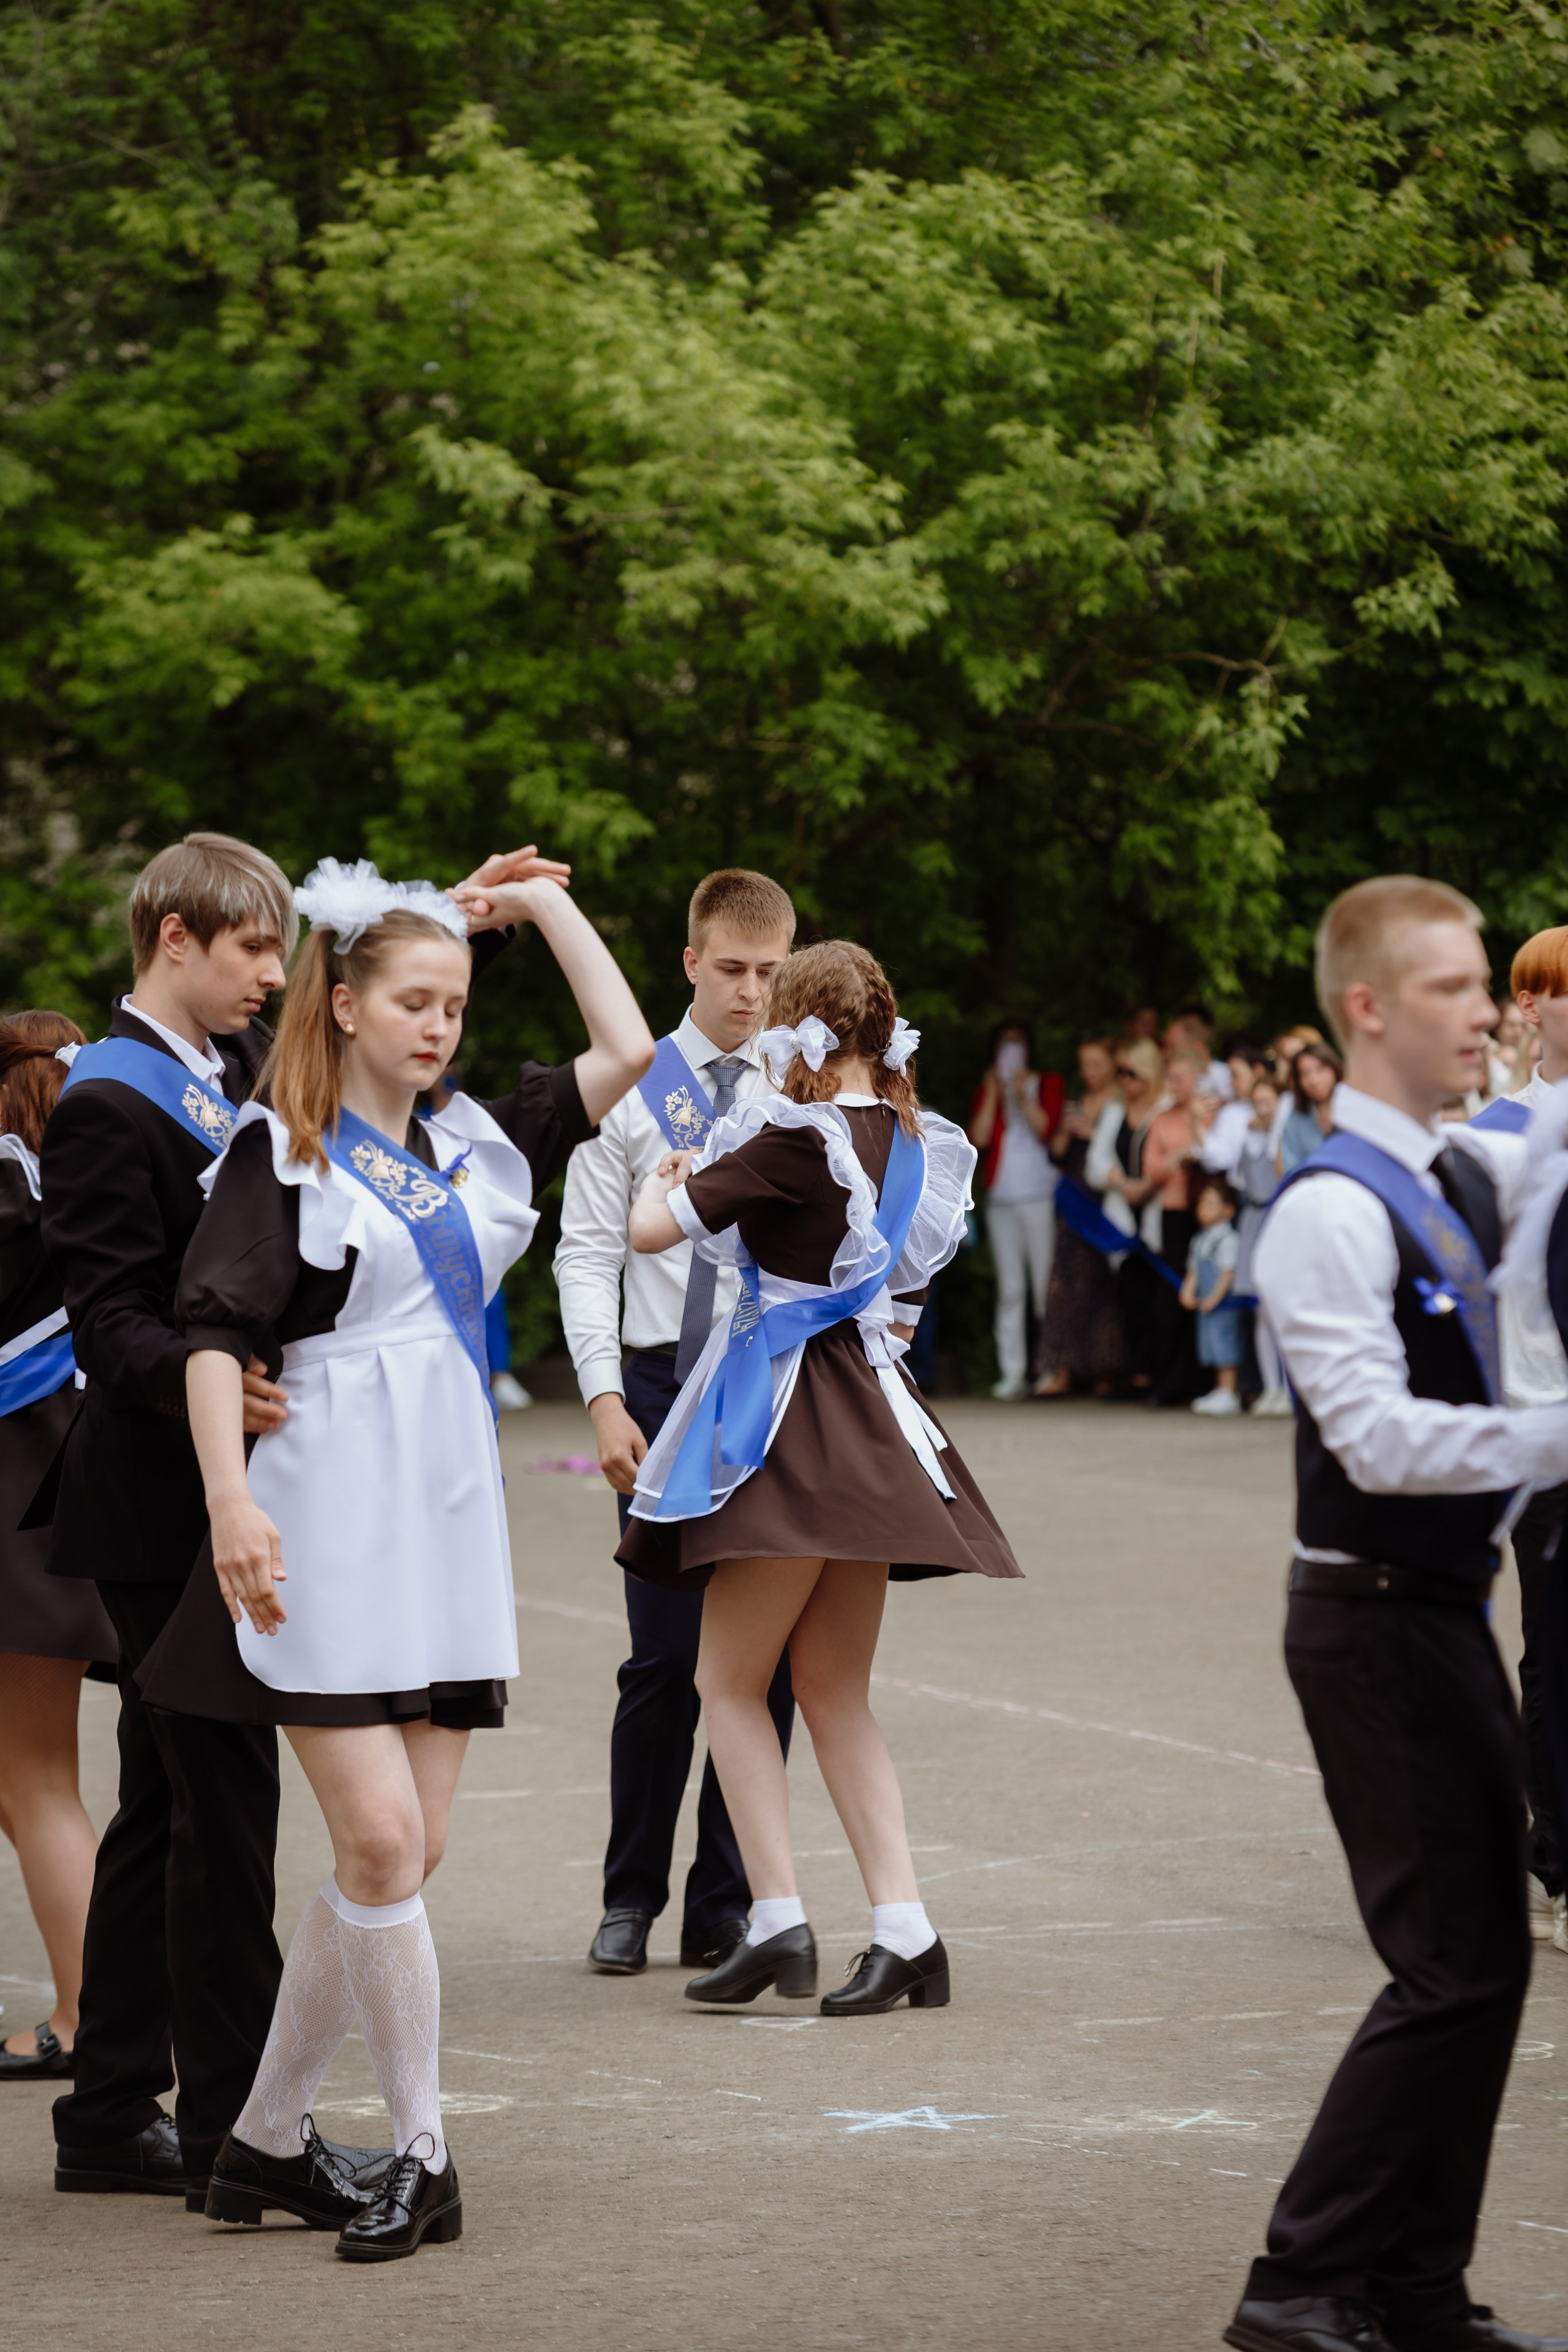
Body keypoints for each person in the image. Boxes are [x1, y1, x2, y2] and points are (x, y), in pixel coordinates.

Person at [138, 854, 653, 2259]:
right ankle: (426, 2151)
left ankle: (256, 2136)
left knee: (403, 1853)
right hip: (319, 1511)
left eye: (456, 1005)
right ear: (347, 1002)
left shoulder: (481, 1139)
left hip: (438, 1517)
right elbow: (206, 1332)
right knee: (376, 1839)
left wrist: (535, 909)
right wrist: (230, 1501)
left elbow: (630, 1047)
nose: (437, 1026)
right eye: (412, 1000)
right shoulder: (279, 1148)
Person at [41, 831, 543, 2210]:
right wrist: (235, 1386)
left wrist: (458, 917)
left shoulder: (223, 1084)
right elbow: (113, 1320)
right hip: (167, 1498)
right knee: (213, 1819)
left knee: (179, 1811)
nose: (275, 972)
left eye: (282, 948)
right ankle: (225, 2131)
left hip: (249, 1482)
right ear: (173, 940)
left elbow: (368, 1027)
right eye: (252, 949)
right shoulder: (109, 1100)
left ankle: (148, 2113)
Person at [1226, 875, 1568, 2352]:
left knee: (1483, 1960)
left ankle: (1413, 2285)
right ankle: (1298, 2277)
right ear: (1363, 1009)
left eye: (1484, 982)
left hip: (1437, 1605)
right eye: (1449, 986)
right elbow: (1370, 1436)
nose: (1485, 1009)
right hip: (1363, 1615)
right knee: (1444, 1962)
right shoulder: (1324, 1207)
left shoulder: (1464, 1178)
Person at [616, 942, 1020, 2015]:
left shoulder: (795, 1138)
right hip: (878, 1423)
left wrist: (663, 1179)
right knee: (836, 1691)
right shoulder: (919, 1145)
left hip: (787, 1428)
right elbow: (906, 1301)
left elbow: (654, 1233)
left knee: (728, 1683)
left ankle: (780, 1922)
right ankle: (905, 1930)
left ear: (797, 1027)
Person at [554, 870, 798, 1980]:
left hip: (772, 1390)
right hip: (657, 1387)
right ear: (691, 962)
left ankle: (726, 1906)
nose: (750, 993)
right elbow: (587, 1253)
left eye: (768, 973)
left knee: (766, 1666)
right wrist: (603, 1398)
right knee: (661, 1662)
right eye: (732, 970)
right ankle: (630, 1896)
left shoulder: (801, 1088)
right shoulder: (630, 1084)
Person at [0, 1014, 117, 2083]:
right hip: (75, 1476)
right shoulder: (76, 1175)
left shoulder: (7, 1187)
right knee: (26, 1775)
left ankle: (90, 2024)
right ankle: (82, 2008)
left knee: (37, 1777)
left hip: (20, 1493)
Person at [1474, 924, 1568, 1955]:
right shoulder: (1502, 1132)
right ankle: (1560, 1864)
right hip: (1545, 1429)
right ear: (1532, 1008)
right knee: (1556, 1653)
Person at [968, 1022, 1064, 1400]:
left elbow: (1047, 1128)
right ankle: (1013, 1373)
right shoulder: (989, 1086)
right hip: (1002, 1198)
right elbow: (979, 1137)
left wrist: (1024, 1094)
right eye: (1004, 1045)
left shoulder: (1048, 1083)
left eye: (1017, 1044)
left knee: (1044, 1287)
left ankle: (1051, 1368)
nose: (1011, 1050)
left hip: (1040, 1194)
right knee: (1011, 1290)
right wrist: (993, 1091)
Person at [1033, 1036, 1125, 1398]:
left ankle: (1107, 1369)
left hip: (1103, 1199)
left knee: (1104, 1286)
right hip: (1073, 1198)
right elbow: (1055, 1154)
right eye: (1085, 1065)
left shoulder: (1119, 1102)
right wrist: (1067, 1132)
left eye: (1097, 1065)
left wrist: (1096, 1133)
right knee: (1065, 1284)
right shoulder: (1077, 1102)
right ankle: (1063, 1368)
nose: (1090, 1073)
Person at [1088, 1036, 1169, 1394]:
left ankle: (1165, 1373)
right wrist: (1122, 1183)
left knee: (1163, 1297)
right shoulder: (1116, 1110)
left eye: (1130, 1072)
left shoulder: (1167, 1107)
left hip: (1161, 1214)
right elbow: (1096, 1162)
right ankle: (1139, 1373)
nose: (1123, 1080)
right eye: (1119, 1073)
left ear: (1149, 1072)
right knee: (1130, 1297)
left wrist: (1148, 1185)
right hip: (1123, 1218)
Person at [1143, 1046, 1209, 1404]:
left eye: (1179, 1079)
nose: (1173, 1085)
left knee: (1210, 1292)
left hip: (1209, 1214)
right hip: (1173, 1212)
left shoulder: (1215, 1113)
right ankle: (1169, 1382)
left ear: (1199, 1080)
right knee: (1171, 1298)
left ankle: (1207, 1381)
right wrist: (1178, 1157)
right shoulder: (1163, 1120)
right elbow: (1150, 1170)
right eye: (1170, 1079)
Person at [1233, 1073, 1291, 1417]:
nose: (1263, 1110)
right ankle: (1271, 1387)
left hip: (1280, 1217)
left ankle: (1288, 1390)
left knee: (1281, 1309)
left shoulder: (1285, 1136)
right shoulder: (1249, 1140)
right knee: (1260, 1313)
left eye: (1269, 1102)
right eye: (1258, 1104)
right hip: (1254, 1221)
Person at [1182, 1175, 1242, 1417]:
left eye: (1210, 1203)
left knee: (1226, 1343)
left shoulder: (1229, 1239)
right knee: (1212, 1346)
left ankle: (1230, 1392)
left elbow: (1228, 1272)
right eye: (1202, 1203)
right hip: (1206, 1304)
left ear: (1228, 1210)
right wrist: (1187, 1292)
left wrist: (1216, 1298)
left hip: (1222, 1304)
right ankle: (1220, 1390)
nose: (1203, 1209)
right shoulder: (1200, 1240)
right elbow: (1194, 1271)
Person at [1278, 1039, 1342, 1173]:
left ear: (1334, 1068)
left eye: (1320, 1070)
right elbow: (1292, 1168)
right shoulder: (1295, 1120)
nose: (1314, 1081)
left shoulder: (1356, 1105)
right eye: (1305, 1074)